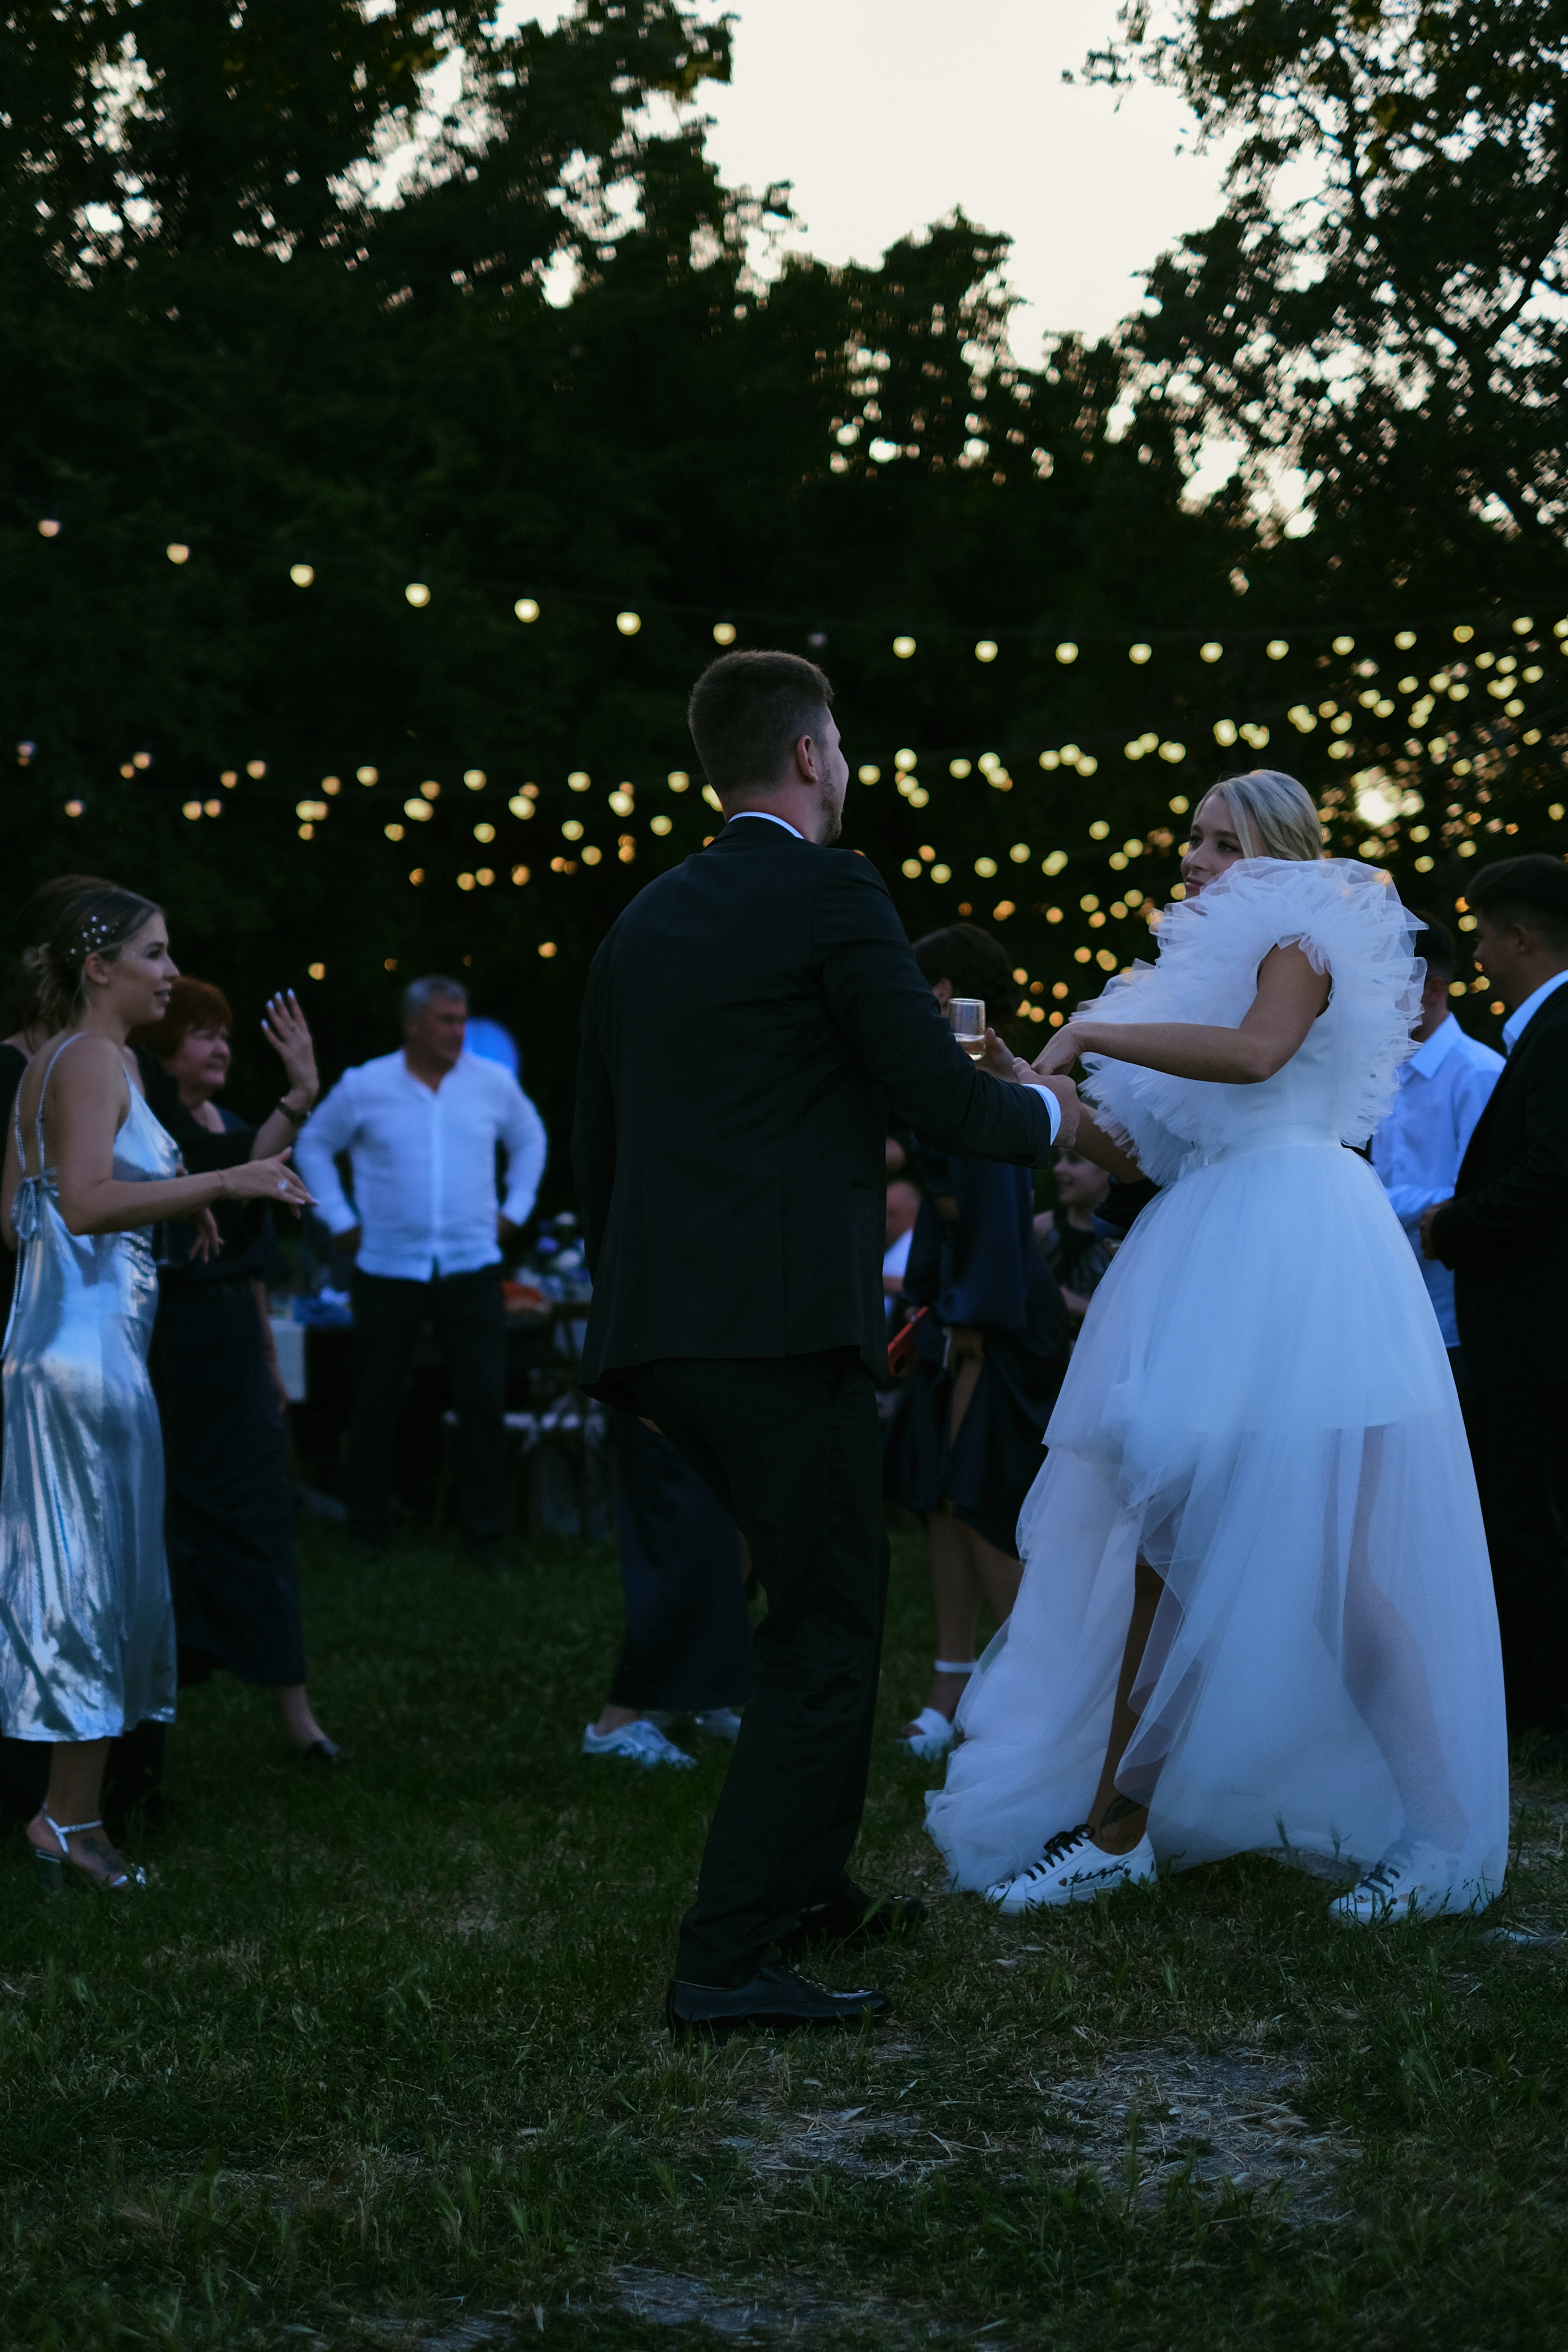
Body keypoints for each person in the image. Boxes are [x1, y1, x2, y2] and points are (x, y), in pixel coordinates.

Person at [573, 647, 1076, 2039]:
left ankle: (806, 1886)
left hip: (666, 1333)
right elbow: (932, 1090)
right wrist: (1058, 1120)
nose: (846, 771)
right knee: (827, 1626)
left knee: (819, 1597)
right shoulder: (828, 890)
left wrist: (635, 1347)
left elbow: (594, 1151)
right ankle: (726, 1955)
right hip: (779, 1330)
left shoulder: (642, 919)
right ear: (805, 756)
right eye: (840, 748)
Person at [929, 769, 1509, 1927]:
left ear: (1279, 850)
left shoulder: (1299, 935)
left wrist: (1091, 1027)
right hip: (1215, 1246)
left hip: (1297, 1256)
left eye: (1219, 839)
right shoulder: (1189, 971)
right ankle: (1120, 1827)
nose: (1193, 856)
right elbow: (1139, 1155)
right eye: (1192, 836)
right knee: (1172, 1544)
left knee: (1337, 1573)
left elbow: (1256, 1058)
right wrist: (1017, 1076)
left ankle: (1444, 1837)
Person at [0, 883, 311, 1890]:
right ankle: (66, 1822)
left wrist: (165, 1213)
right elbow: (86, 1202)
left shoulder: (55, 1060)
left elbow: (21, 1219)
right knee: (89, 1586)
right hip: (84, 1362)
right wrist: (224, 1184)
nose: (172, 973)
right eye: (156, 953)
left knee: (90, 1579)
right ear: (99, 967)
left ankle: (71, 1812)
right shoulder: (92, 1058)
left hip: (67, 1347)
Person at [127, 978, 343, 1763]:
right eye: (201, 1032)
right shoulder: (146, 1130)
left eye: (225, 1033)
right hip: (166, 1346)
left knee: (260, 1514)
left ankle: (296, 1715)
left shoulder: (240, 1129)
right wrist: (302, 1097)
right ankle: (154, 1715)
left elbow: (251, 1255)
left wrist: (267, 1361)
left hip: (231, 1352)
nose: (220, 1046)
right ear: (161, 1047)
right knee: (167, 1526)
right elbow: (221, 1169)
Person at [884, 923, 1072, 1761]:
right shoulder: (946, 1078)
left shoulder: (991, 1081)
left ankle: (1046, 1695)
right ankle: (951, 1686)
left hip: (990, 1325)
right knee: (940, 1502)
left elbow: (994, 1212)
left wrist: (967, 1319)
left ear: (952, 995)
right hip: (953, 1312)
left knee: (981, 1504)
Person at [295, 975, 548, 1567]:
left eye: (462, 1019)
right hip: (387, 1266)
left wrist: (515, 1210)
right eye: (446, 1020)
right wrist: (338, 1219)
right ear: (413, 1024)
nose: (459, 1031)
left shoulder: (492, 1083)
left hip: (471, 1265)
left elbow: (531, 1139)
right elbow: (312, 1145)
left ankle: (485, 1540)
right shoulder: (366, 1085)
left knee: (484, 1400)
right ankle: (367, 1533)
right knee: (377, 1401)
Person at [1423, 855, 1568, 1751]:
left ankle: (1543, 1712)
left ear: (1520, 937)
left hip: (1537, 1324)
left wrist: (1454, 1225)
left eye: (1482, 934)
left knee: (1527, 1514)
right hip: (1532, 1321)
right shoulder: (1542, 1028)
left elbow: (1556, 1170)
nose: (1474, 951)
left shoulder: (1558, 1029)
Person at [1370, 915, 1502, 1379]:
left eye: (1389, 983)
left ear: (1433, 989)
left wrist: (1369, 1203)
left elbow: (1475, 1192)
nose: (1376, 999)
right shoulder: (1381, 1069)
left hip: (1449, 1311)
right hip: (1388, 1303)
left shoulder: (1477, 1073)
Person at [582, 1409, 753, 1768]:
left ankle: (700, 1687)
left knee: (734, 1521)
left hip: (720, 1369)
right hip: (665, 1370)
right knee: (681, 1525)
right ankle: (616, 1723)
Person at [1035, 1145, 1115, 1327]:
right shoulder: (1041, 1229)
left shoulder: (1125, 1243)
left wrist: (1083, 1307)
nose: (1058, 1168)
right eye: (1060, 1158)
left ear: (1109, 1167)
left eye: (1073, 1159)